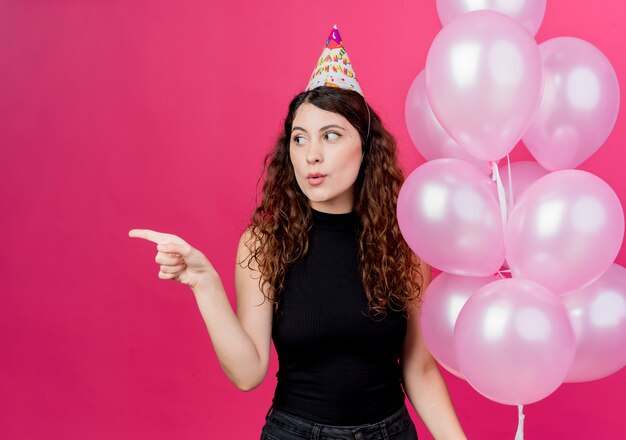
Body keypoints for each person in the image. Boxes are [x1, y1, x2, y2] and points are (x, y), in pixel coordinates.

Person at [129, 25, 466, 439]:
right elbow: (248, 372)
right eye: (299, 138)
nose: (312, 155)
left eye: (330, 135)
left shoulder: (404, 243)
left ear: (365, 147)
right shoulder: (265, 242)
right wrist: (204, 283)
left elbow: (419, 368)